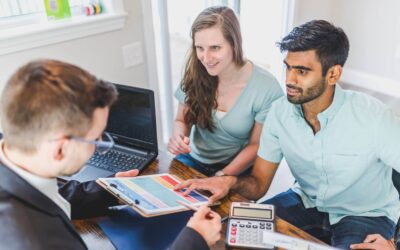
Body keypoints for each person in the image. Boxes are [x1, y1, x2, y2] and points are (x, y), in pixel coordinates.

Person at [176, 20, 400, 249]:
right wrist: (228, 181)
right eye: (288, 67)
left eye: (302, 71)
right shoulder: (279, 113)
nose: (289, 80)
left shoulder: (374, 116)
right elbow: (259, 184)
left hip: (365, 213)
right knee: (236, 234)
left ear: (333, 74)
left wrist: (393, 244)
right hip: (305, 201)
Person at [0, 59, 221, 249]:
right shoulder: (32, 240)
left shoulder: (20, 156)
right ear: (59, 149)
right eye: (96, 138)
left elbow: (55, 192)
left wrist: (111, 189)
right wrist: (194, 240)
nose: (100, 145)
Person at [168, 6, 283, 177]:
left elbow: (256, 145)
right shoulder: (195, 71)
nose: (205, 59)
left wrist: (221, 176)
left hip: (235, 168)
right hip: (191, 158)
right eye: (200, 48)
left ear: (234, 44)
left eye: (215, 48)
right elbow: (181, 120)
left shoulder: (267, 88)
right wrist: (179, 138)